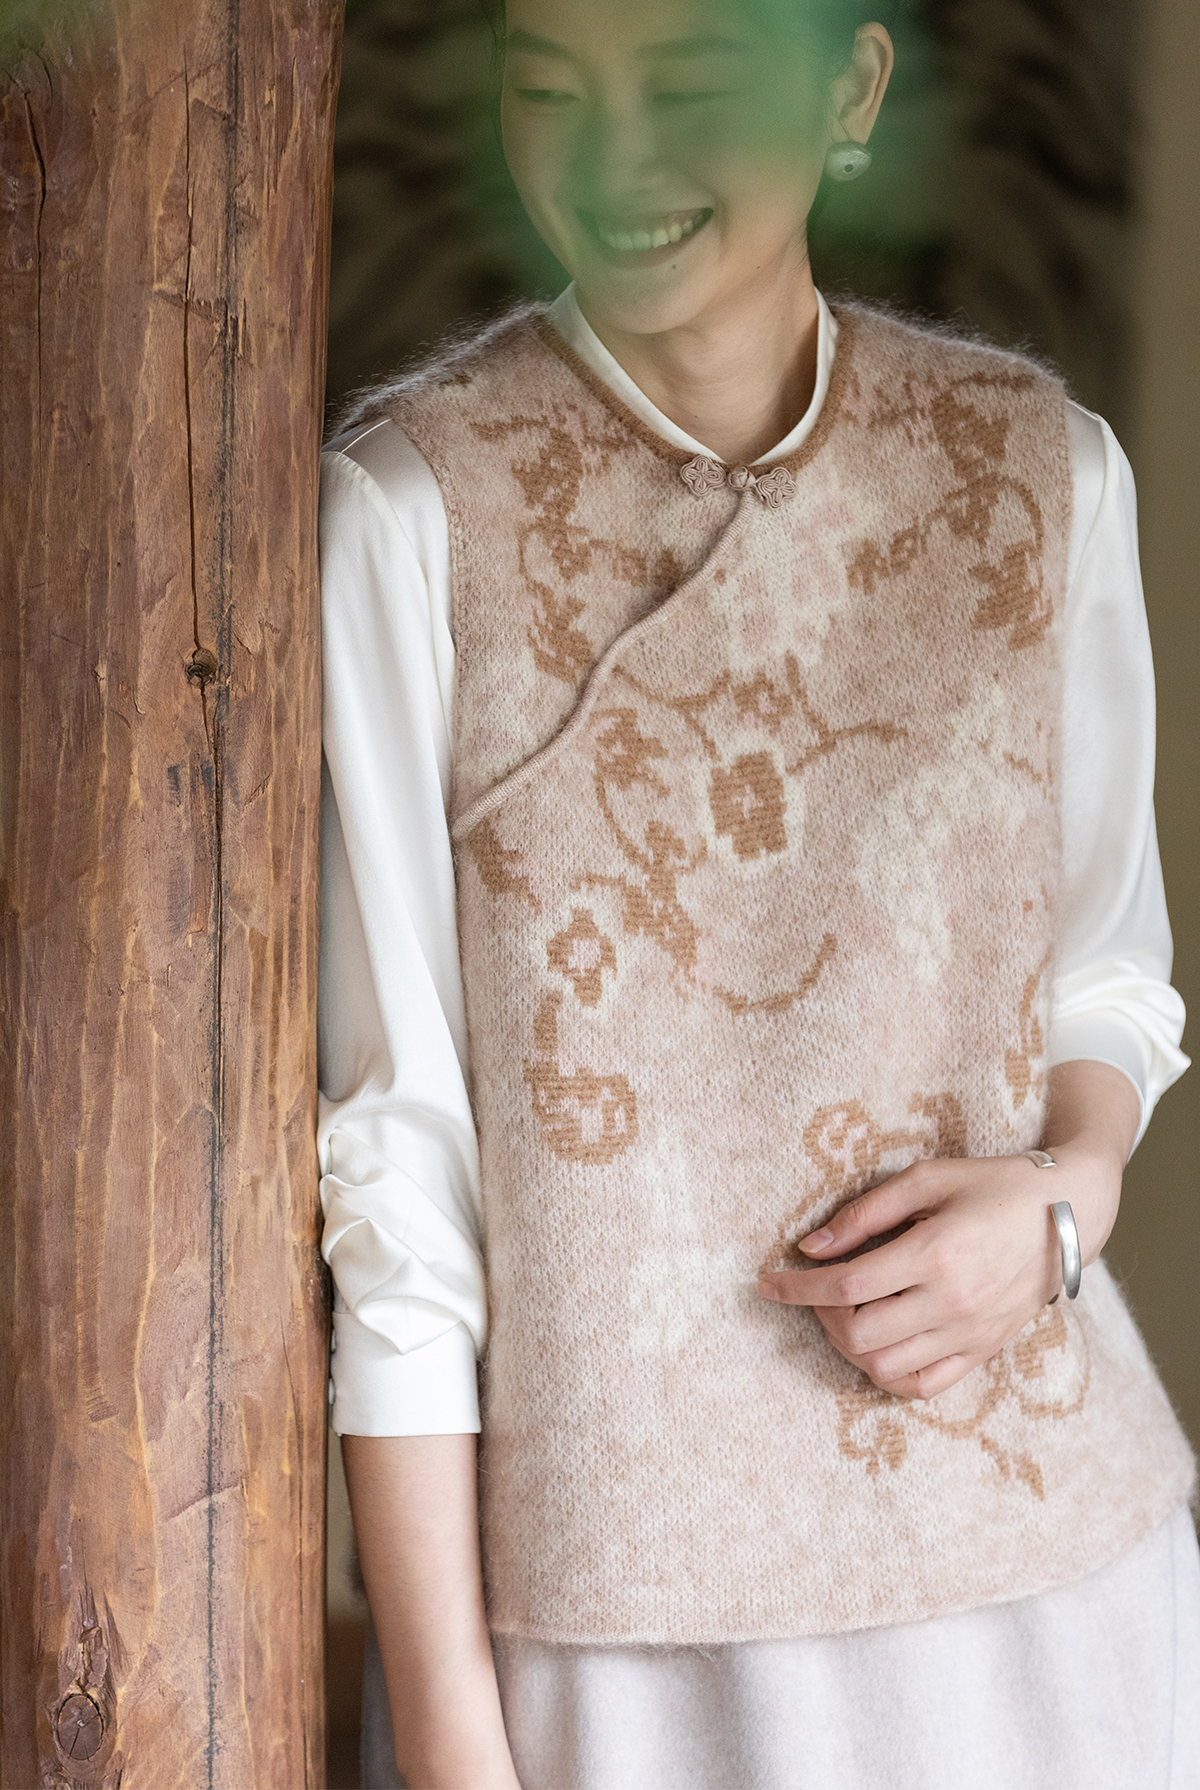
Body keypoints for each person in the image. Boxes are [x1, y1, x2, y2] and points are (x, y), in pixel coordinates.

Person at [316, 2, 1200, 1784]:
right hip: (631, 1646)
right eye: (549, 88)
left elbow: (1106, 974)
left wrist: (1065, 1201)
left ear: (849, 87)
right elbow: (397, 1168)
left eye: (691, 84)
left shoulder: (1044, 472)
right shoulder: (413, 517)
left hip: (1056, 1599)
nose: (611, 156)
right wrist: (456, 1738)